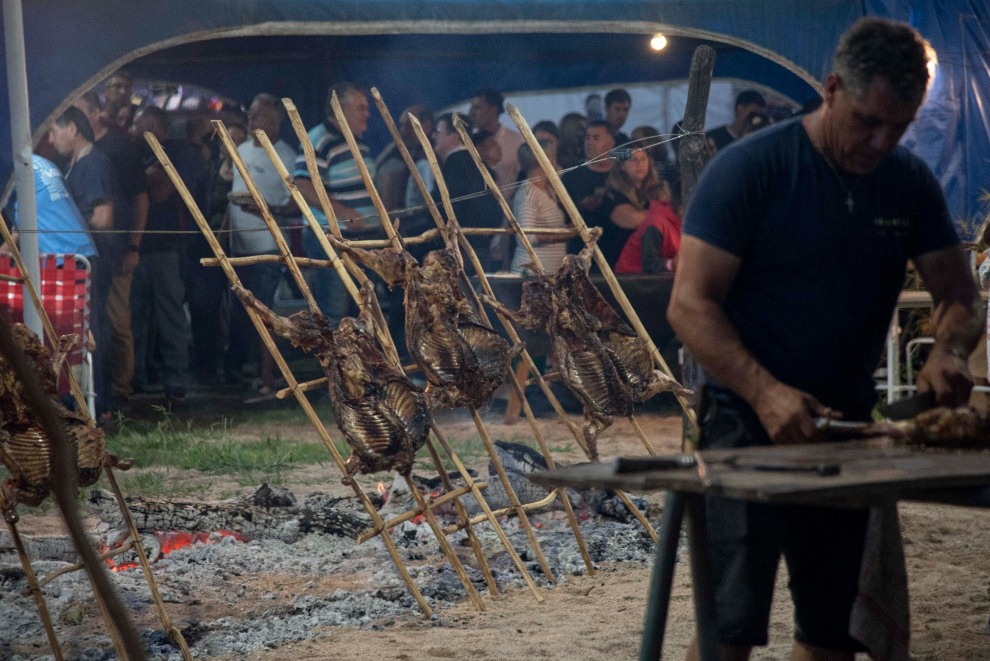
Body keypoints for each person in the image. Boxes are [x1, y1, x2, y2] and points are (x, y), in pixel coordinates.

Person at [667, 17, 982, 661]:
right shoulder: (751, 171)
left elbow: (958, 294)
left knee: (830, 634)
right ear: (832, 88)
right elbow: (690, 307)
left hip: (849, 430)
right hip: (740, 427)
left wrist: (948, 350)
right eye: (869, 120)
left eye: (900, 126)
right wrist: (765, 393)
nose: (881, 141)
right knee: (728, 632)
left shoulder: (908, 184)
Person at [74, 90, 149, 411]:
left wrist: (134, 245)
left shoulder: (118, 148)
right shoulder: (75, 154)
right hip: (94, 254)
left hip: (116, 250)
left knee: (117, 323)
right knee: (102, 322)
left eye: (78, 113)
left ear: (94, 113)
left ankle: (121, 392)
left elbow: (140, 199)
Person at [224, 94, 297, 403]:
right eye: (250, 115)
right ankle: (252, 373)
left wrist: (270, 210)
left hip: (268, 247)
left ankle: (269, 379)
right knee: (242, 315)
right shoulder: (239, 150)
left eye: (259, 116)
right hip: (239, 247)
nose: (252, 121)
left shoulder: (286, 156)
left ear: (276, 121)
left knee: (265, 315)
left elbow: (295, 203)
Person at [129, 106, 204, 406]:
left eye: (139, 125)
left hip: (166, 249)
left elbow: (160, 191)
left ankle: (175, 380)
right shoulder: (140, 157)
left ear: (154, 127)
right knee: (137, 316)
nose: (133, 131)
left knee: (170, 315)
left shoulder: (178, 154)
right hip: (141, 248)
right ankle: (137, 377)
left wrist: (145, 180)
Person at [48, 105, 117, 421]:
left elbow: (103, 217)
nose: (50, 139)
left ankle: (100, 405)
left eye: (54, 131)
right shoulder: (73, 164)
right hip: (80, 256)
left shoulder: (95, 162)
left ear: (73, 129)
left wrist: (68, 224)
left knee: (93, 329)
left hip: (91, 258)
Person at [293, 82, 379, 324]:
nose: (367, 114)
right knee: (336, 311)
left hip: (362, 239)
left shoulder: (356, 141)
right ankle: (337, 361)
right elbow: (302, 185)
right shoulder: (319, 139)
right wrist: (344, 213)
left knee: (361, 309)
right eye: (361, 108)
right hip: (334, 238)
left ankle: (361, 360)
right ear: (339, 109)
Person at [432, 112, 503, 271]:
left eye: (438, 131)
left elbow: (441, 211)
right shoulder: (480, 166)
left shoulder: (453, 168)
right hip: (482, 249)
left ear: (456, 135)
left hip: (459, 253)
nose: (433, 136)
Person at [599, 148, 672, 267]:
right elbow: (633, 219)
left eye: (643, 159)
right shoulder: (612, 194)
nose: (639, 164)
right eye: (633, 160)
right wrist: (666, 213)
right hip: (621, 264)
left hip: (654, 262)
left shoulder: (660, 191)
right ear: (622, 165)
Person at [508, 139, 569, 275]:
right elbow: (525, 237)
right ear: (543, 161)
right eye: (553, 158)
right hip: (532, 274)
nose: (556, 163)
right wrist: (560, 235)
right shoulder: (528, 194)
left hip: (550, 272)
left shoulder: (548, 190)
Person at [561, 119, 615, 255]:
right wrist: (581, 205)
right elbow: (562, 211)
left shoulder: (621, 174)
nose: (590, 142)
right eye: (587, 138)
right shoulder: (572, 175)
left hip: (615, 245)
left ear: (611, 142)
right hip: (581, 248)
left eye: (596, 138)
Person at [374, 104, 433, 214]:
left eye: (408, 126)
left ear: (427, 127)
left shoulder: (434, 155)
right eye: (401, 126)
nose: (403, 132)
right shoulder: (394, 152)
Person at [469, 89, 524, 190]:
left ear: (493, 109)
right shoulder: (468, 144)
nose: (471, 113)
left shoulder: (517, 142)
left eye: (477, 108)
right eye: (471, 108)